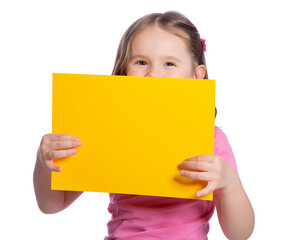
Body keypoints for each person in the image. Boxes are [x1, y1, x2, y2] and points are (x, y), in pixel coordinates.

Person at [33, 11, 254, 239]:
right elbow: (51, 205)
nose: (153, 75)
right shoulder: (107, 131)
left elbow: (240, 234)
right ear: (124, 72)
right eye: (141, 62)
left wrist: (229, 184)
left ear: (196, 76)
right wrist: (43, 161)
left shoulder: (211, 139)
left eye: (169, 63)